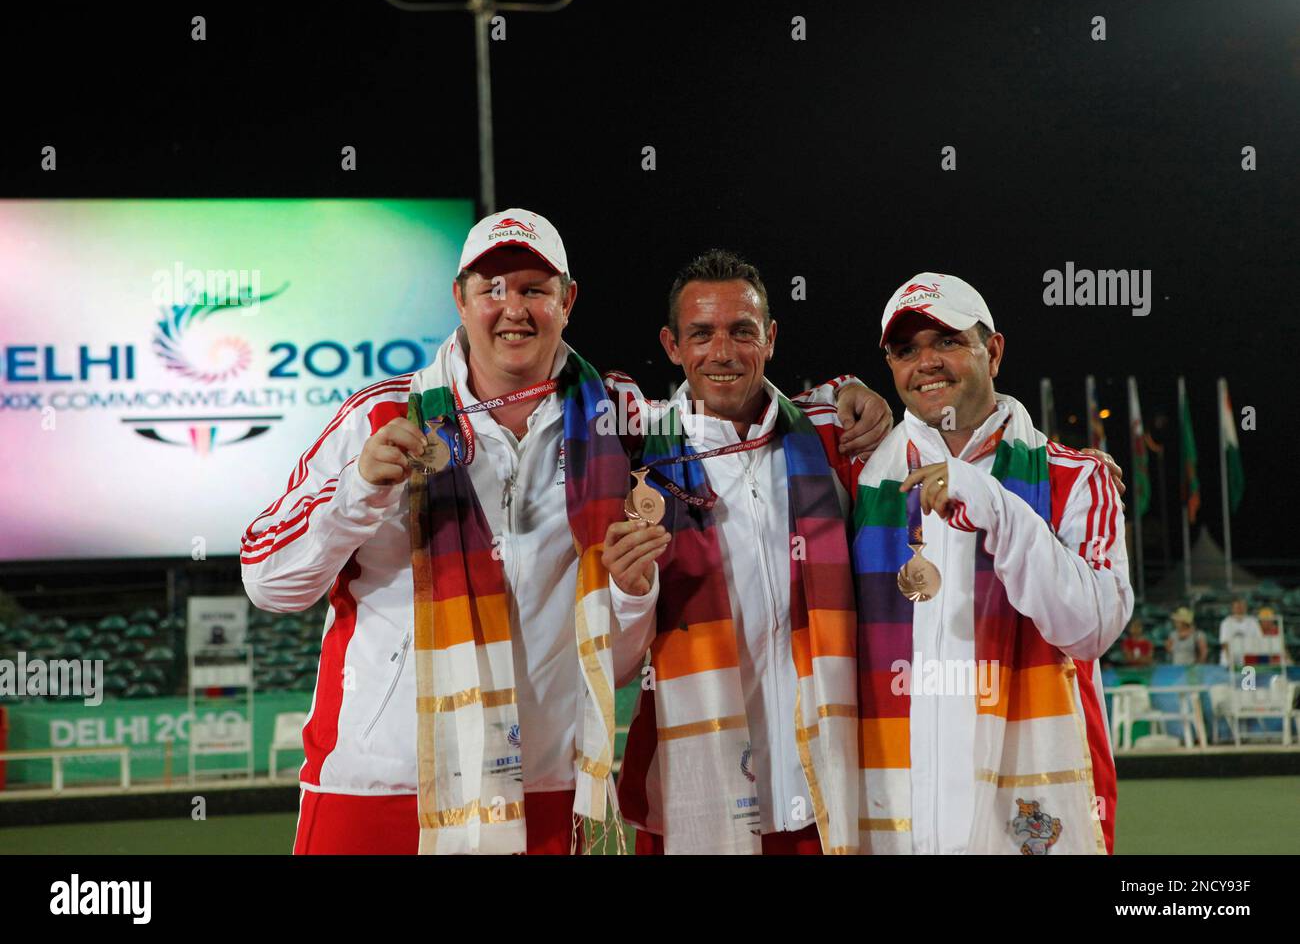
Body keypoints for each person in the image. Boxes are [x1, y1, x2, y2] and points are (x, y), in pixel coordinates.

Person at [242, 208, 637, 855]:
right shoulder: (381, 416)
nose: (513, 308)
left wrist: (856, 399)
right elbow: (268, 582)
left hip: (541, 788)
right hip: (381, 787)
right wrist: (360, 490)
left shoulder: (616, 420)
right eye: (492, 289)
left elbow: (728, 421)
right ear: (460, 300)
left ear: (568, 301)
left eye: (534, 289)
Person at [605, 249, 885, 854]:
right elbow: (616, 663)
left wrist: (1064, 461)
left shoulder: (832, 439)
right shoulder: (632, 461)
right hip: (690, 798)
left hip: (823, 795)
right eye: (701, 334)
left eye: (742, 332)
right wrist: (629, 594)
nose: (723, 353)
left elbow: (941, 457)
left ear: (772, 337)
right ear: (672, 345)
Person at [854, 272, 1132, 854]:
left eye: (948, 342)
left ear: (994, 351)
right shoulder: (860, 479)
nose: (926, 362)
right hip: (899, 813)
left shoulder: (1076, 479)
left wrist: (993, 505)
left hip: (1026, 817)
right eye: (906, 350)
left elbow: (1090, 629)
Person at [1218, 598, 1261, 666]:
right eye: (1237, 607)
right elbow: (1224, 643)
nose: (1240, 609)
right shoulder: (1226, 623)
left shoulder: (1253, 622)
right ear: (1232, 609)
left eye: (1242, 607)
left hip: (1248, 659)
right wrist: (1230, 661)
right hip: (1228, 660)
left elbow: (1259, 640)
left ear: (1245, 608)